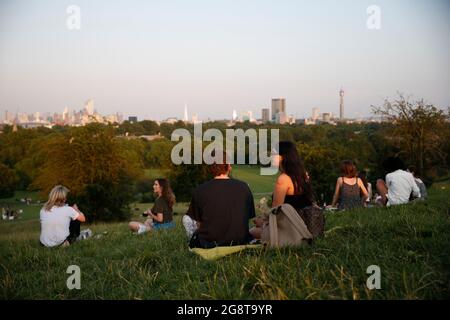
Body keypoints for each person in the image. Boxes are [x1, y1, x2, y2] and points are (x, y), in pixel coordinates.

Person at [182, 150, 256, 248]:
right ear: (229, 166)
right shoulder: (244, 187)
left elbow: (200, 224)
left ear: (210, 168)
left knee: (186, 218)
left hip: (209, 242)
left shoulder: (200, 190)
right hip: (240, 240)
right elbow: (247, 218)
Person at [250, 141, 317, 239]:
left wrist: (263, 221)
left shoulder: (283, 179)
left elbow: (275, 212)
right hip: (305, 225)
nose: (271, 157)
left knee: (251, 231)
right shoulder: (304, 174)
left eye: (273, 154)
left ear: (283, 156)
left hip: (291, 228)